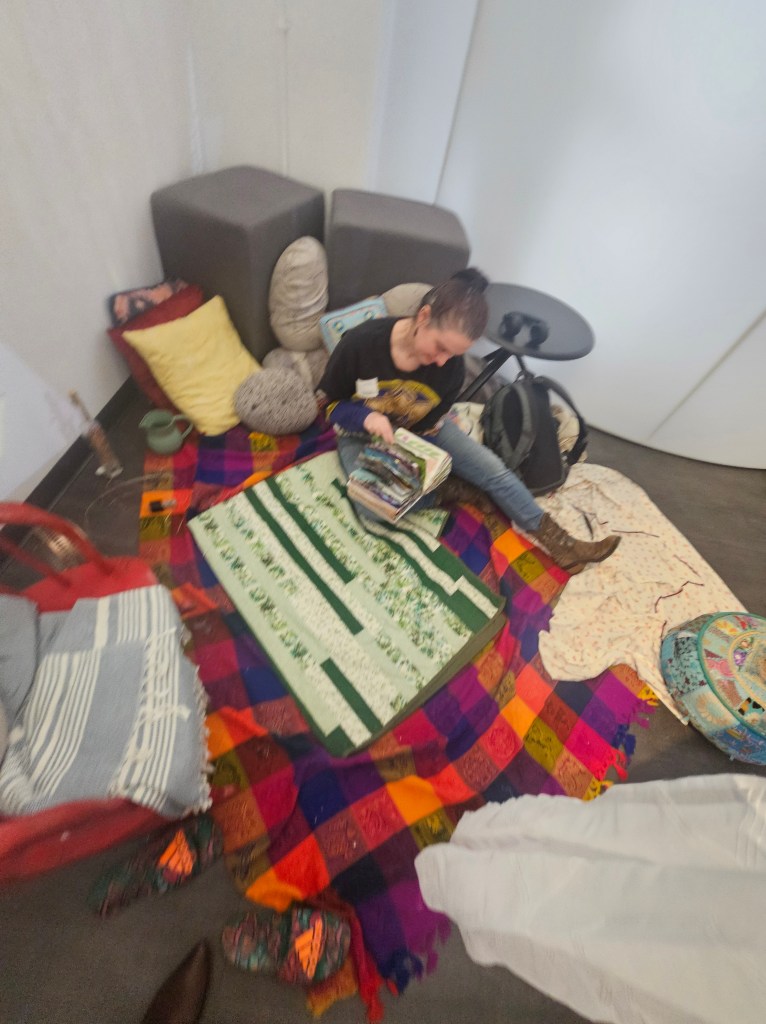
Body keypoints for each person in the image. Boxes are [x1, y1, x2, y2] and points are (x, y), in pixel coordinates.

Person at [317, 268, 619, 571]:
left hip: (420, 432)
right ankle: (449, 490)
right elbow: (330, 406)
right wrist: (365, 417)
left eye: (452, 354)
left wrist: (423, 449)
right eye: (440, 347)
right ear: (423, 317)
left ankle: (562, 544)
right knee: (371, 505)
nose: (442, 361)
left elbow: (431, 422)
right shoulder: (361, 344)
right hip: (360, 435)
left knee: (493, 470)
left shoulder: (451, 369)